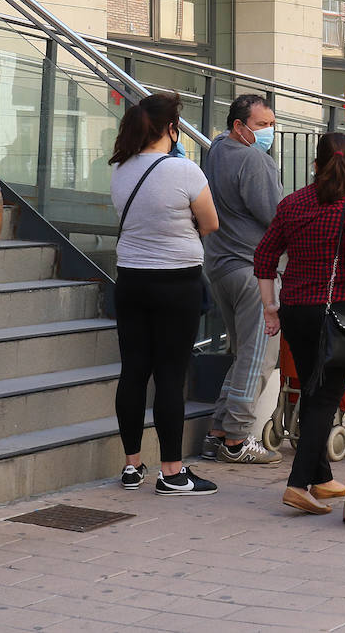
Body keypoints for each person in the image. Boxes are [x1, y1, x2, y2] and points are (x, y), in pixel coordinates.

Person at [256, 133, 345, 515]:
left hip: (296, 311)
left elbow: (264, 255)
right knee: (325, 398)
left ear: (315, 165)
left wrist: (270, 308)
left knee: (313, 390)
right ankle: (296, 485)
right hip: (338, 314)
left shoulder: (293, 203)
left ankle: (321, 477)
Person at [109, 92, 219, 496]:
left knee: (133, 371)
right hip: (176, 282)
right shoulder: (186, 172)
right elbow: (210, 223)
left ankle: (132, 466)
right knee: (170, 375)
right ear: (172, 129)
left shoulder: (120, 169)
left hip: (131, 279)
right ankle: (172, 472)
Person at [201, 94, 284, 466]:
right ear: (239, 125)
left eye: (271, 124)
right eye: (262, 125)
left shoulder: (216, 149)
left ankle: (218, 431)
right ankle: (236, 439)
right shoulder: (254, 159)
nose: (269, 132)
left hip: (219, 267)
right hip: (253, 272)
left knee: (242, 355)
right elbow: (276, 218)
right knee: (258, 357)